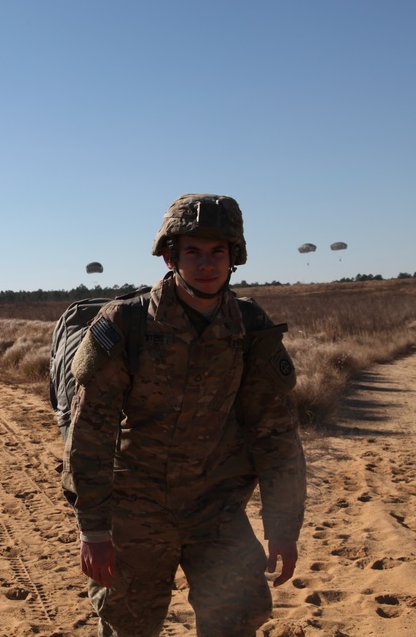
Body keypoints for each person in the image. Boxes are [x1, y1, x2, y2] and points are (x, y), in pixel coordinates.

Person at [62, 193, 306, 636]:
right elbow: (90, 434)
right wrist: (94, 530)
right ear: (171, 257)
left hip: (217, 508)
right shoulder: (127, 323)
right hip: (136, 508)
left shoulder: (249, 325)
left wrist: (283, 526)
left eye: (218, 252)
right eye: (192, 251)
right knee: (129, 626)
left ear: (235, 257)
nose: (206, 264)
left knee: (237, 619)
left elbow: (275, 432)